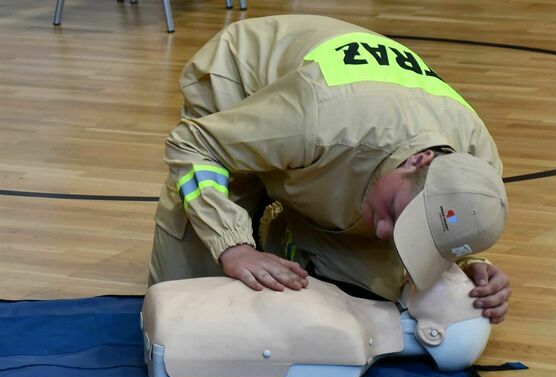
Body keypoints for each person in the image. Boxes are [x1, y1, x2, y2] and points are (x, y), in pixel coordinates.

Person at [149, 15, 511, 324]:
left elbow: (446, 213)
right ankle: (262, 218)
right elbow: (192, 143)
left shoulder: (478, 163)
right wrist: (233, 246)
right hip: (245, 87)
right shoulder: (320, 120)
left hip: (329, 140)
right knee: (187, 313)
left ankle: (282, 231)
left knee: (373, 303)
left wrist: (467, 262)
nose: (383, 232)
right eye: (394, 213)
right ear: (418, 161)